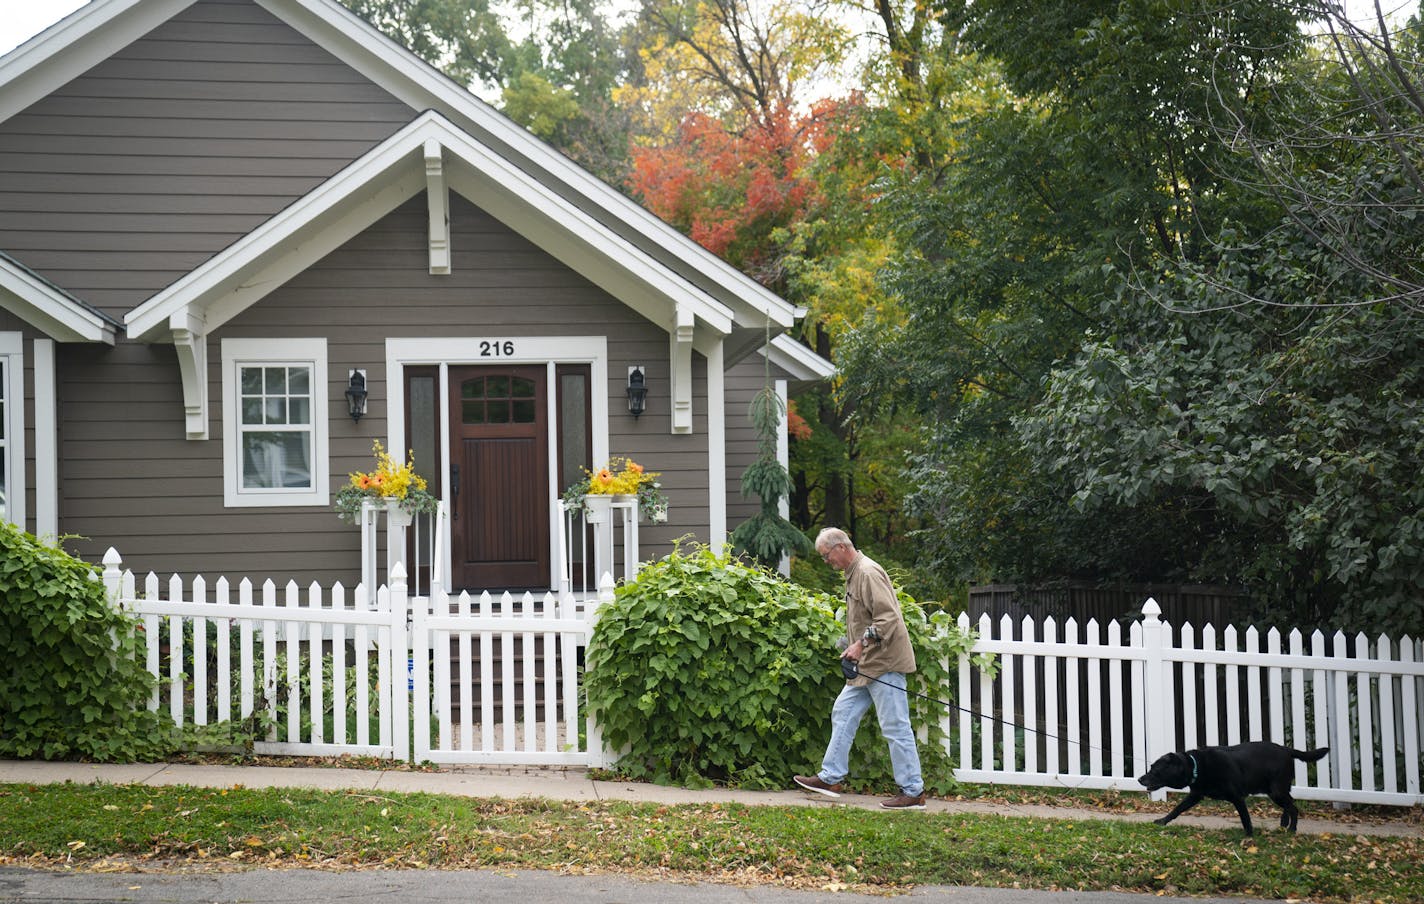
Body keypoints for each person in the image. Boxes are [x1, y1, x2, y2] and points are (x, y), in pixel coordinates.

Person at [794, 527, 926, 810]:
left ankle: (913, 790)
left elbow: (888, 618)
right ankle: (831, 777)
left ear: (841, 547)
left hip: (885, 663)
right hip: (867, 665)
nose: (826, 562)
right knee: (843, 712)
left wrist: (860, 645)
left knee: (895, 726)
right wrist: (850, 643)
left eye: (826, 556)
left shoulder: (867, 572)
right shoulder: (853, 574)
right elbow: (864, 618)